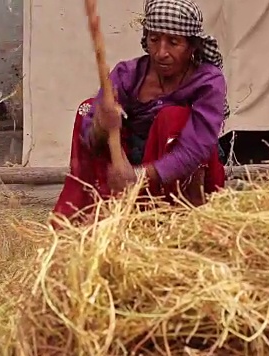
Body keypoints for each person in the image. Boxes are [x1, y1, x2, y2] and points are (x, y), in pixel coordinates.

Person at [53, 0, 228, 222]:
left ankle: (177, 219)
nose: (161, 52)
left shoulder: (208, 81)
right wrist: (101, 125)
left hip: (179, 178)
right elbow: (90, 133)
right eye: (154, 40)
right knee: (87, 108)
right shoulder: (128, 74)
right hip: (130, 170)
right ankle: (91, 213)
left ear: (192, 46)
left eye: (173, 43)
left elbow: (194, 149)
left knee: (172, 117)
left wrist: (138, 176)